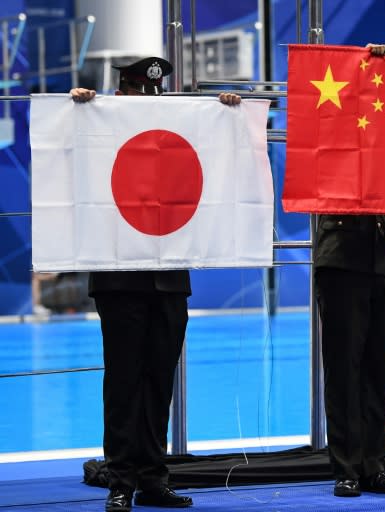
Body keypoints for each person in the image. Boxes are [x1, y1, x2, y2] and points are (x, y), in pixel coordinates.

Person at [71, 56, 241, 512]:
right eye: (136, 94)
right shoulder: (99, 128)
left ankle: (151, 476)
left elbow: (209, 150)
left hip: (168, 280)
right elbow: (68, 158)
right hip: (119, 278)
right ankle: (121, 479)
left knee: (159, 381)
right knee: (124, 381)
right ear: (121, 93)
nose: (146, 103)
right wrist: (78, 110)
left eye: (154, 95)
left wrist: (226, 114)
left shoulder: (172, 137)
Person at [313, 43, 385, 498]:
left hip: (381, 261)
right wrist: (365, 61)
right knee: (343, 368)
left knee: (378, 368)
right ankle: (344, 466)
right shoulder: (329, 136)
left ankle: (373, 464)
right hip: (340, 258)